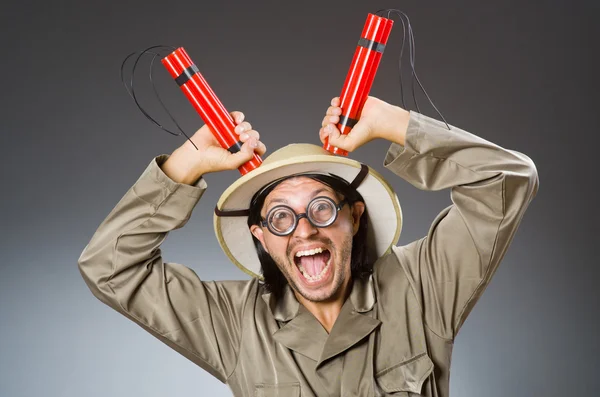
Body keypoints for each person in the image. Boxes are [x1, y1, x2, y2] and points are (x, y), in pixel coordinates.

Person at [78, 96, 539, 397]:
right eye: (280, 217)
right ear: (260, 235)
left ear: (353, 217)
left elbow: (507, 180)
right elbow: (108, 269)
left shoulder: (422, 286)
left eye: (321, 208)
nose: (304, 231)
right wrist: (185, 166)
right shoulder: (234, 321)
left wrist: (394, 123)